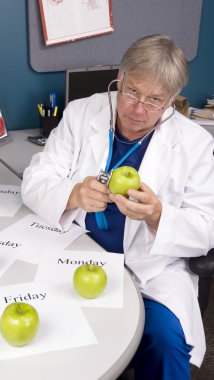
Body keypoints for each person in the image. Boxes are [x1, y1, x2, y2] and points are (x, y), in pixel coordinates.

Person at [21, 34, 214, 380]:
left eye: (155, 100)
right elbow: (35, 180)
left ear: (172, 100)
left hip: (150, 274)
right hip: (78, 256)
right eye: (132, 92)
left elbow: (206, 226)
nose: (139, 109)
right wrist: (74, 194)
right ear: (120, 78)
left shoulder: (196, 144)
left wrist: (158, 215)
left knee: (165, 341)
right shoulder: (82, 113)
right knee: (47, 332)